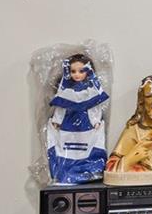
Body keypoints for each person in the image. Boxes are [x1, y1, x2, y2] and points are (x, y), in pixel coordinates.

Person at [44, 52, 109, 184]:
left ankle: (87, 172)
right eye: (73, 71)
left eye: (81, 71)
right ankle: (66, 172)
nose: (77, 74)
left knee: (86, 146)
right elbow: (61, 107)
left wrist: (96, 120)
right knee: (67, 147)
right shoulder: (66, 91)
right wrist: (57, 120)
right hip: (69, 124)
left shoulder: (91, 90)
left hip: (86, 124)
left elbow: (94, 107)